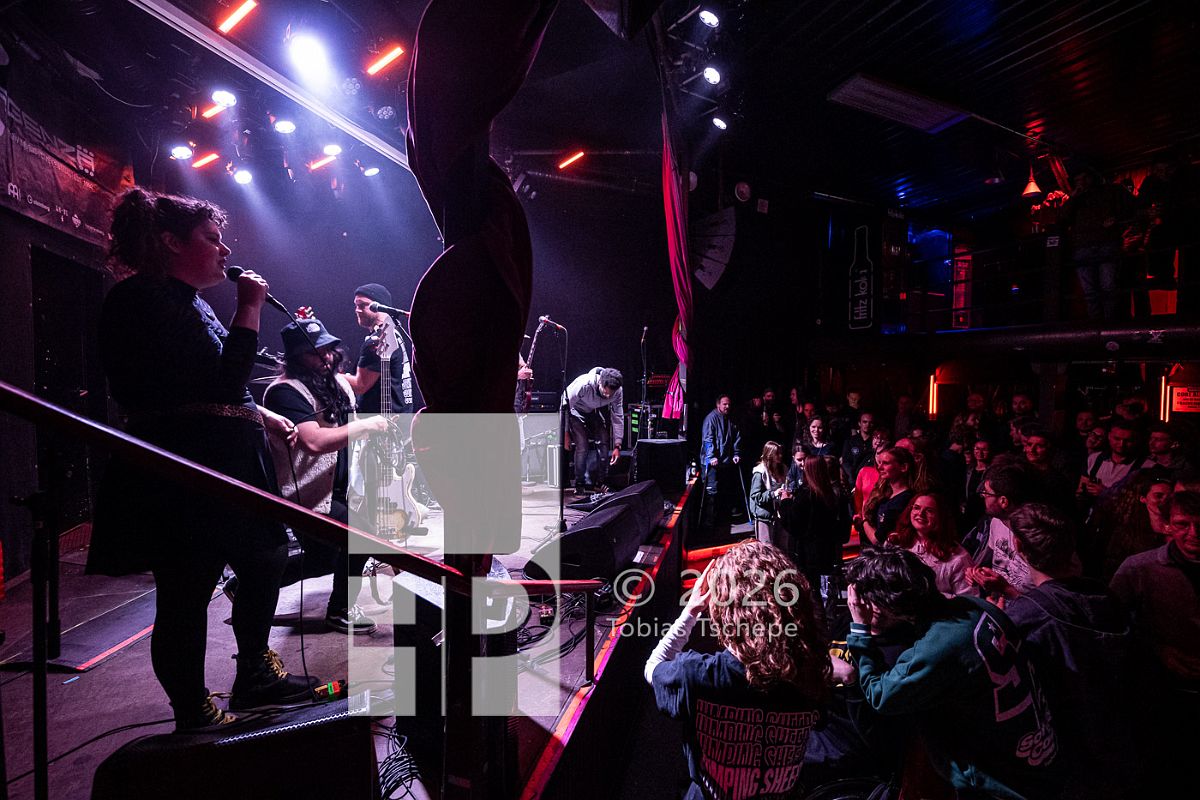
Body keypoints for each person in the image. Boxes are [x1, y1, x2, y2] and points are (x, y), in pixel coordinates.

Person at [88, 188, 319, 729]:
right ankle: (194, 709)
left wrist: (262, 415)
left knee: (265, 557)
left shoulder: (186, 301)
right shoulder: (141, 298)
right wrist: (249, 307)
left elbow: (210, 385)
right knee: (187, 587)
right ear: (171, 242)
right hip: (189, 469)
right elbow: (220, 383)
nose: (224, 250)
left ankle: (254, 673)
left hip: (223, 460)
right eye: (212, 239)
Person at [845, 547, 1061, 799]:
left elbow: (880, 695)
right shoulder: (974, 605)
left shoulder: (939, 647)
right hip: (1036, 750)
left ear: (884, 606)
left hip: (1000, 782)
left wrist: (860, 630)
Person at [645, 541, 839, 800]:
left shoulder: (698, 674)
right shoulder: (811, 673)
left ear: (724, 611)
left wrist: (690, 611)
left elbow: (653, 666)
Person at [263, 318, 390, 634]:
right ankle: (340, 611)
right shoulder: (284, 392)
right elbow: (314, 441)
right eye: (314, 353)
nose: (326, 358)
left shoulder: (334, 381)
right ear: (295, 357)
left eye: (328, 349)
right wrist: (366, 425)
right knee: (362, 536)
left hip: (339, 487)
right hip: (305, 493)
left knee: (323, 560)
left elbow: (356, 394)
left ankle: (249, 582)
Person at [1003, 503, 1138, 799]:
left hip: (1061, 752)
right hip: (1117, 740)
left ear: (1019, 547)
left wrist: (997, 620)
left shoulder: (1025, 616)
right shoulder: (1104, 596)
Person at [1110, 491, 1200, 797]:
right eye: (1183, 524)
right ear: (1167, 525)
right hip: (1161, 692)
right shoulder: (1140, 568)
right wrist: (1157, 648)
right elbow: (1112, 626)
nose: (1193, 533)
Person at [344, 283, 415, 415]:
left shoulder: (377, 340)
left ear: (380, 306)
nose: (357, 310)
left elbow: (360, 386)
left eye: (363, 305)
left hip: (382, 422)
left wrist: (333, 376)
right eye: (356, 305)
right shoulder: (394, 333)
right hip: (401, 416)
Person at [887, 494, 972, 597]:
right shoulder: (895, 541)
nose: (920, 514)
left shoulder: (958, 558)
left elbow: (970, 600)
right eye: (916, 508)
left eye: (929, 511)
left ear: (941, 517)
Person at [562, 366, 624, 492]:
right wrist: (565, 433)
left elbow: (618, 416)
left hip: (592, 410)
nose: (607, 396)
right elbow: (564, 408)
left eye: (610, 394)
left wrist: (618, 445)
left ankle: (600, 482)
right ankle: (579, 483)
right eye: (605, 393)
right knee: (582, 445)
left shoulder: (617, 391)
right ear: (600, 382)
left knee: (604, 440)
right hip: (574, 410)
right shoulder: (583, 384)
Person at [859, 447, 915, 546]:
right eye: (879, 463)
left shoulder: (904, 499)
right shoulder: (886, 494)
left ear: (903, 467)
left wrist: (864, 519)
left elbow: (876, 540)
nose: (879, 467)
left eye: (886, 463)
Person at [700, 395, 742, 525]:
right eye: (724, 404)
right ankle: (708, 521)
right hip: (711, 462)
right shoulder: (711, 419)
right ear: (718, 404)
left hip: (725, 461)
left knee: (724, 490)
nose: (727, 406)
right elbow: (708, 439)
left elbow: (736, 437)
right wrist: (711, 456)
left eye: (729, 404)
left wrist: (736, 453)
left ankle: (721, 519)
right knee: (711, 491)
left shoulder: (731, 419)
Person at [749, 441, 790, 547]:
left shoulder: (783, 469)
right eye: (777, 453)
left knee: (782, 546)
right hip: (766, 516)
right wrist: (773, 494)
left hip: (781, 513)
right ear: (769, 455)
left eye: (780, 453)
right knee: (767, 548)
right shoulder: (760, 472)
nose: (780, 456)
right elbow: (756, 496)